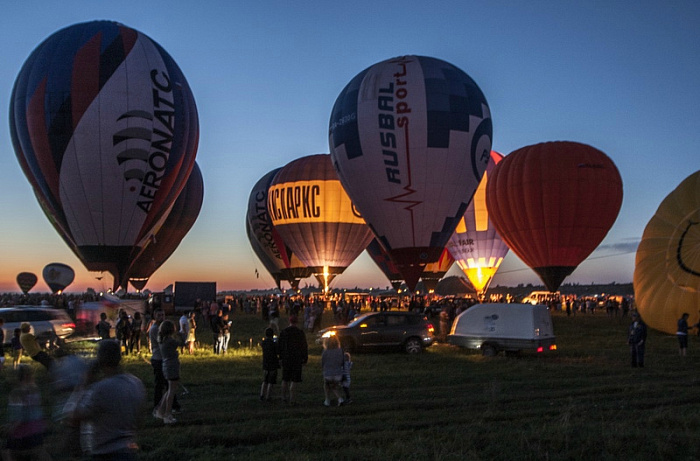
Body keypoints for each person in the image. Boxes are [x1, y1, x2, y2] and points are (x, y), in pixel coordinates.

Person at [68, 339, 146, 459]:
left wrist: (84, 384)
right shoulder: (135, 383)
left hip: (106, 451)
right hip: (129, 448)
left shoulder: (100, 389)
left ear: (99, 360)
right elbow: (140, 418)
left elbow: (74, 416)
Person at [5, 364, 50, 461]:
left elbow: (18, 415)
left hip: (21, 431)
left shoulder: (16, 393)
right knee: (39, 453)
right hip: (37, 428)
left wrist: (9, 429)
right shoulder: (35, 389)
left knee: (8, 453)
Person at [149, 309, 180, 415]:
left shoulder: (162, 329)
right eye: (159, 315)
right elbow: (162, 343)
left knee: (169, 384)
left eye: (163, 314)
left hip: (164, 358)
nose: (161, 316)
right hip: (159, 358)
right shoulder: (155, 329)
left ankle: (172, 406)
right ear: (155, 315)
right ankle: (158, 407)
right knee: (160, 384)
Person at [154, 320, 181, 424]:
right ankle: (167, 414)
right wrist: (181, 334)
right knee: (171, 391)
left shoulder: (162, 340)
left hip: (166, 365)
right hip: (172, 366)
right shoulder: (170, 341)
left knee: (169, 390)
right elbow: (181, 342)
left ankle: (160, 410)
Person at [278, 315, 308, 405]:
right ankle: (292, 399)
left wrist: (280, 357)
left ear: (289, 321)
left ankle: (283, 397)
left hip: (286, 358)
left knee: (285, 379)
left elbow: (280, 346)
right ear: (297, 322)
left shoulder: (284, 332)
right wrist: (304, 358)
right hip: (297, 358)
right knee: (294, 380)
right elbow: (304, 346)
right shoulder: (300, 333)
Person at [321, 335, 345, 407]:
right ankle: (339, 399)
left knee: (327, 385)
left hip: (328, 373)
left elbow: (322, 362)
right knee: (333, 386)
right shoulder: (340, 351)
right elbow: (342, 362)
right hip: (338, 373)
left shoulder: (325, 352)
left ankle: (328, 399)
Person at [260, 327, 280, 401]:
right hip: (273, 363)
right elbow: (278, 351)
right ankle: (268, 396)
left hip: (265, 362)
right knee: (271, 381)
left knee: (265, 380)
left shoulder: (264, 343)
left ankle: (262, 394)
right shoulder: (273, 344)